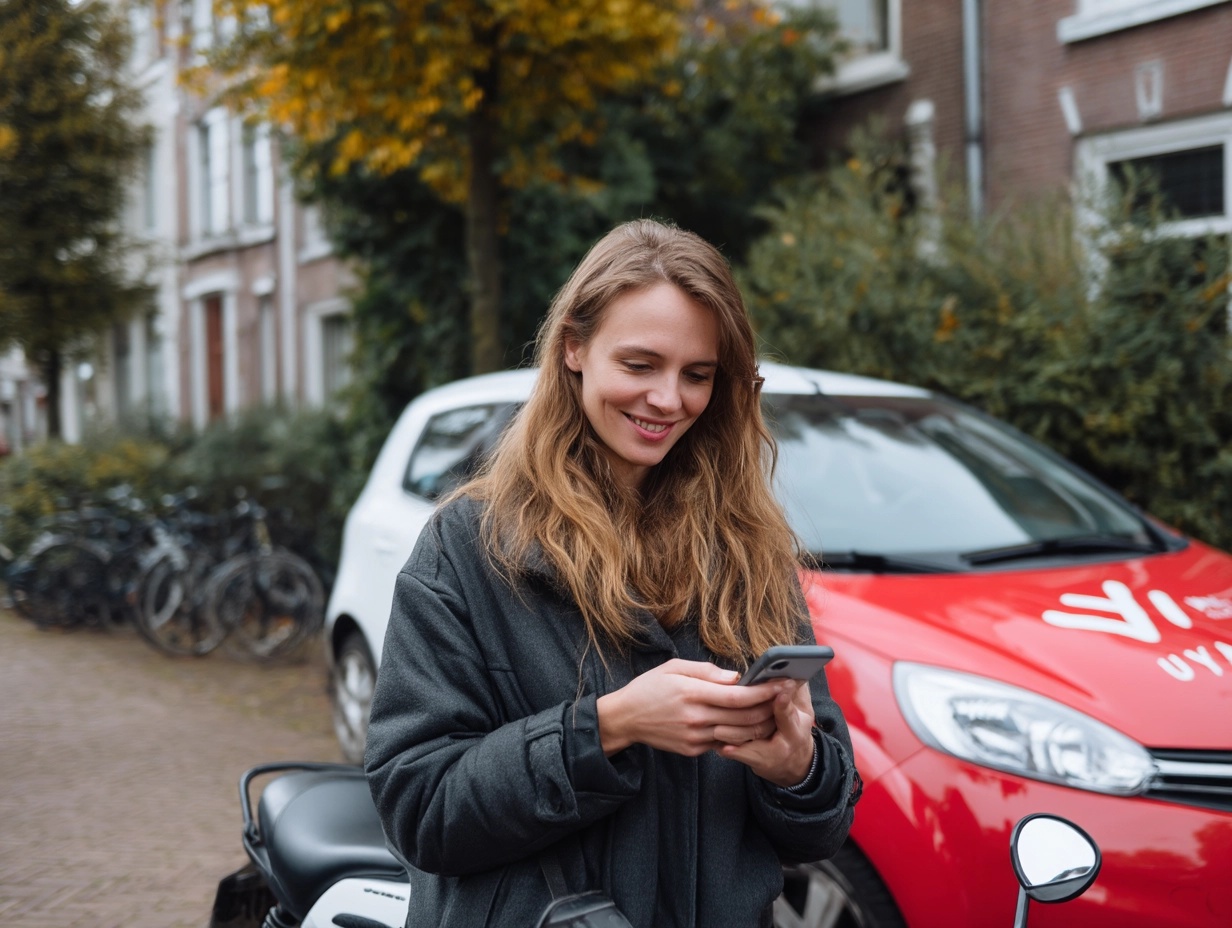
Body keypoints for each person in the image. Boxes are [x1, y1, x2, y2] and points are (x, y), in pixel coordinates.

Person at [365, 219, 860, 928]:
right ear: (574, 347)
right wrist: (605, 728)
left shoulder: (747, 550)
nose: (668, 400)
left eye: (697, 375)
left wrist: (799, 770)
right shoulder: (468, 548)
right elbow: (420, 810)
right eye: (639, 365)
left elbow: (821, 826)